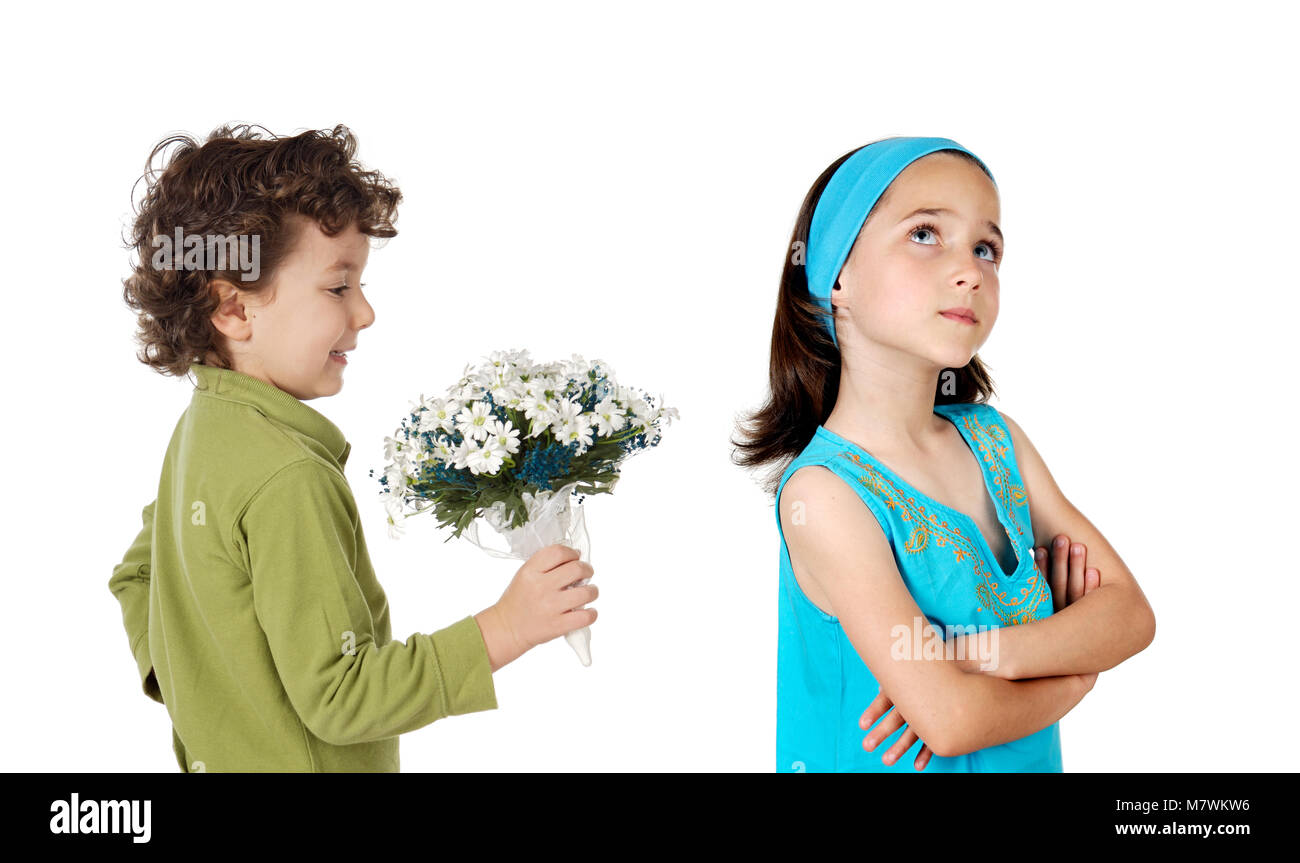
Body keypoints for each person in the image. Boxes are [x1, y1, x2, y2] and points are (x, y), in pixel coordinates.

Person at [108, 124, 597, 772]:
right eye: (339, 287)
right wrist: (504, 628)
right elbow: (339, 693)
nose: (364, 312)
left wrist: (206, 693)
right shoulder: (286, 477)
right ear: (234, 309)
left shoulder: (204, 428)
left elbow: (137, 576)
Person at [732, 136, 1155, 772]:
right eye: (926, 233)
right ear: (835, 274)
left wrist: (984, 654)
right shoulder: (823, 494)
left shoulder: (997, 442)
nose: (971, 270)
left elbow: (1131, 615)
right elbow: (952, 721)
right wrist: (1075, 670)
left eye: (987, 248)